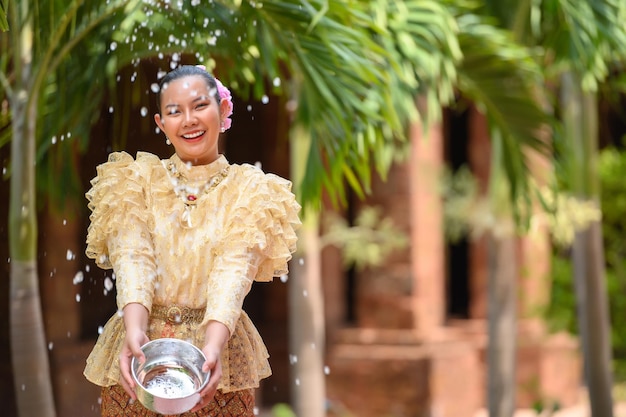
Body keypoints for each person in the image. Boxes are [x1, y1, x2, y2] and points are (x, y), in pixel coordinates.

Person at [83, 64, 301, 416]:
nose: (189, 120)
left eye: (200, 106)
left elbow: (233, 271)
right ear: (161, 123)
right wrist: (134, 329)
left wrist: (213, 345)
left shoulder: (249, 190)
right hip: (140, 353)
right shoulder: (134, 180)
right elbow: (133, 259)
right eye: (175, 111)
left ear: (223, 110)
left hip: (218, 356)